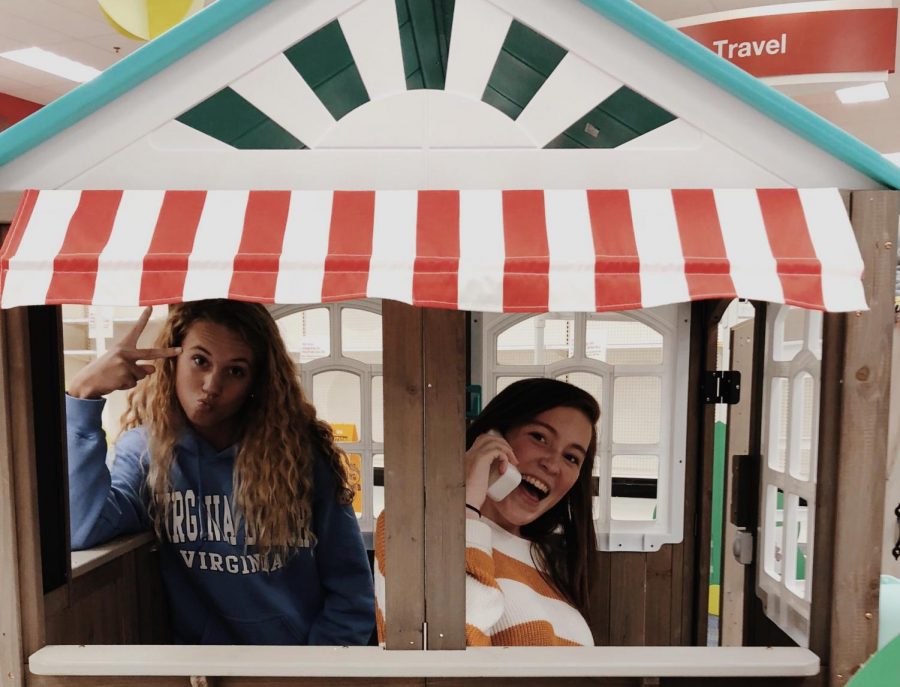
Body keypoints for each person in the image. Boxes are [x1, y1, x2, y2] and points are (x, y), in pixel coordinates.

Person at [66, 300, 375, 646]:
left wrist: (314, 672)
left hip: (298, 668)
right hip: (203, 671)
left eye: (236, 371)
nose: (212, 385)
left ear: (257, 382)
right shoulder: (146, 453)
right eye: (200, 361)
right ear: (171, 361)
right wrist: (83, 394)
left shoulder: (298, 457)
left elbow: (351, 592)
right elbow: (80, 527)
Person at [374, 378, 599, 646]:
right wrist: (466, 505)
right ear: (494, 437)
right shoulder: (409, 527)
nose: (552, 464)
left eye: (571, 458)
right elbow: (449, 647)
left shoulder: (546, 557)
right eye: (539, 437)